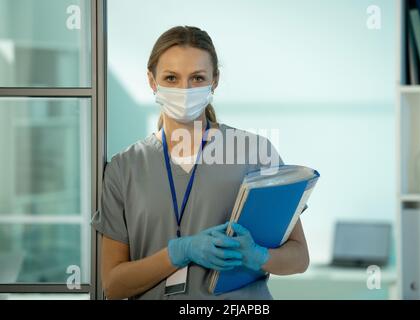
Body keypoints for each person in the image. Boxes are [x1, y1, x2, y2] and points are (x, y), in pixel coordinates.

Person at [91, 25, 309, 300]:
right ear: (151, 81)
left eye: (197, 78)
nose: (185, 89)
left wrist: (258, 256)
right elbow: (113, 285)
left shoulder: (255, 152)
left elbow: (299, 257)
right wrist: (178, 253)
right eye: (171, 78)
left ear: (214, 81)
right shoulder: (124, 168)